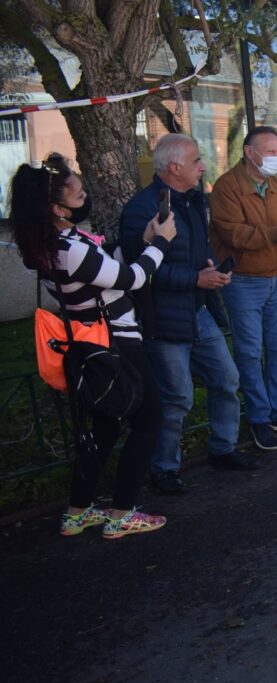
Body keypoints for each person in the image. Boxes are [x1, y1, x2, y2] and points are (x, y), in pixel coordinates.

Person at [10, 155, 174, 539]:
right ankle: (122, 513)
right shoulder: (71, 247)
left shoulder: (47, 245)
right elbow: (132, 278)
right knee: (149, 421)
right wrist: (162, 244)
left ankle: (77, 511)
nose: (85, 198)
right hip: (117, 342)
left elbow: (105, 263)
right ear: (56, 207)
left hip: (91, 345)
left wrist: (143, 240)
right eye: (79, 193)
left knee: (102, 427)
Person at [120, 133, 260, 495]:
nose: (203, 166)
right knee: (177, 396)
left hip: (197, 310)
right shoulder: (142, 209)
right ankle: (164, 468)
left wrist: (209, 264)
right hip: (163, 318)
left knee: (226, 379)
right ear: (174, 166)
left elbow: (195, 247)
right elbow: (143, 270)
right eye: (196, 160)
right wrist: (197, 277)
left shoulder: (193, 200)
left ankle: (223, 448)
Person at [210, 126, 277, 450]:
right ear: (249, 152)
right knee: (250, 352)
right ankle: (259, 418)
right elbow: (234, 236)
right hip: (242, 281)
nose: (276, 157)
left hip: (275, 280)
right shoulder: (227, 187)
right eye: (270, 152)